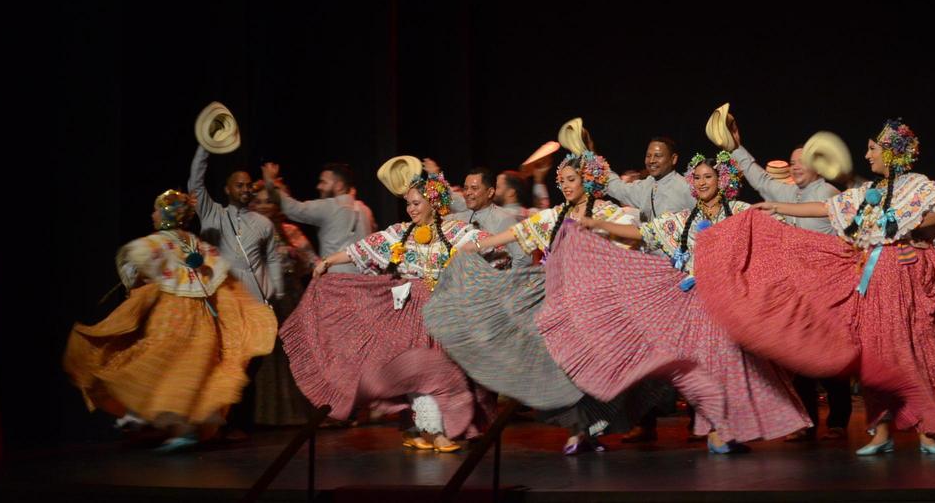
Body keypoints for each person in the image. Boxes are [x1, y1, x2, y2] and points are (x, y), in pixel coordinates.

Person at [695, 118, 935, 456]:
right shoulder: (868, 192)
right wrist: (778, 206)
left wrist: (912, 228)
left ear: (891, 154)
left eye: (873, 149)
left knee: (919, 350)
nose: (867, 155)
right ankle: (881, 431)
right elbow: (828, 209)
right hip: (877, 280)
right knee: (876, 352)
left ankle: (929, 430)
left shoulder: (917, 185)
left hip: (911, 276)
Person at [543, 150, 811, 453]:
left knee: (737, 367)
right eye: (696, 178)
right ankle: (716, 432)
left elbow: (775, 228)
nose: (701, 182)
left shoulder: (739, 211)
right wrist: (597, 225)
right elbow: (642, 233)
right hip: (694, 305)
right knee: (709, 368)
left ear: (723, 180)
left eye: (708, 176)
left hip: (731, 302)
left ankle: (721, 431)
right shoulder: (682, 221)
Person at [425, 151, 662, 454]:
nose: (564, 185)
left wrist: (595, 225)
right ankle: (578, 430)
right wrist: (479, 244)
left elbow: (638, 234)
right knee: (565, 368)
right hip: (562, 300)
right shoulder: (557, 215)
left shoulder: (608, 212)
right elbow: (520, 231)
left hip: (598, 302)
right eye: (560, 181)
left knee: (597, 368)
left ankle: (591, 427)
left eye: (571, 180)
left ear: (588, 181)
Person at [281, 161, 489, 452]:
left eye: (416, 203)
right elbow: (363, 248)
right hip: (409, 313)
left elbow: (489, 244)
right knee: (420, 371)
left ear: (432, 202)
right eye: (408, 204)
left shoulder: (455, 231)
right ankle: (435, 432)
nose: (411, 209)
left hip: (444, 311)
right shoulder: (400, 233)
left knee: (449, 369)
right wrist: (327, 261)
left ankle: (427, 427)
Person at [64, 190, 277, 453]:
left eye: (156, 210)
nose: (152, 214)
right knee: (188, 370)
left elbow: (134, 263)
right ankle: (172, 426)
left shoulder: (158, 242)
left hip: (171, 316)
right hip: (200, 320)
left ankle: (145, 416)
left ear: (165, 213)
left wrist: (140, 281)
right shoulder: (197, 244)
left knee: (156, 361)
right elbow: (217, 275)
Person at [729, 122, 850, 441]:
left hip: (827, 289)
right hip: (798, 289)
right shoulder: (792, 191)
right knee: (799, 356)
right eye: (792, 161)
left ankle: (838, 419)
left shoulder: (826, 191)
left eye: (802, 161)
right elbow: (759, 177)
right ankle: (808, 420)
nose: (795, 165)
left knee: (828, 357)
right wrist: (734, 148)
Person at [188, 145, 281, 439]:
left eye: (248, 186)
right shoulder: (212, 213)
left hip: (254, 300)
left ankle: (238, 421)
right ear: (227, 189)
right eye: (238, 185)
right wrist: (204, 146)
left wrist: (273, 289)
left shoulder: (262, 223)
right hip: (223, 299)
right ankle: (218, 422)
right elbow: (195, 183)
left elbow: (274, 258)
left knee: (252, 360)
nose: (245, 189)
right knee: (225, 360)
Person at [249, 179, 318, 426]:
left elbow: (311, 262)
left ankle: (297, 412)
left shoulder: (291, 231)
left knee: (292, 354)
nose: (265, 206)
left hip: (290, 298)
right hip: (260, 298)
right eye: (259, 201)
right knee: (266, 356)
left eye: (270, 201)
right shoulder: (247, 231)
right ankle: (262, 415)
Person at [260, 161, 369, 275]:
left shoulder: (330, 206)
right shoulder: (365, 210)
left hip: (339, 281)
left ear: (339, 186)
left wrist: (270, 181)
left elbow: (292, 208)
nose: (318, 186)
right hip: (366, 281)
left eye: (323, 182)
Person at [600, 135, 695, 221]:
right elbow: (618, 188)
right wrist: (595, 163)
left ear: (673, 159)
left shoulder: (685, 187)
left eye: (658, 156)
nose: (652, 160)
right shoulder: (646, 185)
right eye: (648, 156)